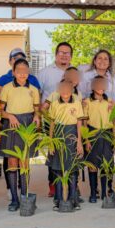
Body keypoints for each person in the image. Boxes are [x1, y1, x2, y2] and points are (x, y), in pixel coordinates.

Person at [0, 58, 41, 211]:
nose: (22, 73)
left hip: (27, 124)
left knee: (24, 162)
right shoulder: (7, 88)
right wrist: (9, 116)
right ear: (14, 72)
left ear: (28, 72)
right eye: (19, 70)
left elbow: (37, 110)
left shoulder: (34, 89)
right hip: (11, 124)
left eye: (25, 70)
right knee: (12, 162)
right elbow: (0, 111)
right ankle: (14, 199)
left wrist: (36, 116)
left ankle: (25, 195)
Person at [45, 80, 86, 211]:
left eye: (67, 88)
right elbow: (52, 124)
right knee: (58, 170)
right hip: (58, 136)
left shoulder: (77, 103)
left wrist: (79, 141)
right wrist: (51, 143)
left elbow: (79, 122)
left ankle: (74, 199)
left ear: (72, 88)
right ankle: (58, 200)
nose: (65, 91)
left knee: (73, 170)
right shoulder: (55, 103)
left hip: (72, 135)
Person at [83, 76, 114, 203]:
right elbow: (84, 121)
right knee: (93, 165)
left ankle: (105, 191)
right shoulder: (87, 102)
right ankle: (93, 193)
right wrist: (87, 140)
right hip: (93, 133)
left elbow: (114, 121)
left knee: (106, 164)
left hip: (107, 134)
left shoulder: (110, 102)